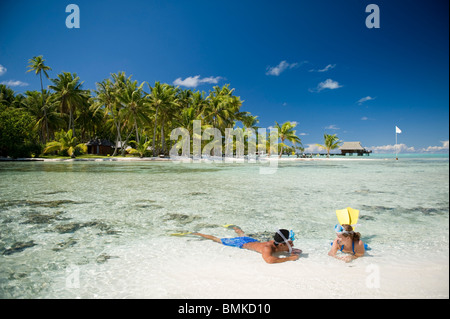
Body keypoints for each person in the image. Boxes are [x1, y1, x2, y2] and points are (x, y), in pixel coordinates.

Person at [192, 226, 301, 264]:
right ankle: (198, 234)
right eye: (290, 240)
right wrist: (289, 258)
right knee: (217, 239)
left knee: (242, 234)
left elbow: (285, 248)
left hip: (251, 240)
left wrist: (291, 251)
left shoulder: (280, 244)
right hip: (241, 243)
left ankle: (236, 228)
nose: (292, 241)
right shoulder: (267, 248)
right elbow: (269, 260)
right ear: (282, 243)